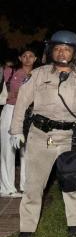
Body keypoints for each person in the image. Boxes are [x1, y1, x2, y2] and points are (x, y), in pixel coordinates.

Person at [10, 30, 76, 237]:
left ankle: (75, 227)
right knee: (33, 186)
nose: (62, 53)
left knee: (74, 183)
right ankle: (26, 230)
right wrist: (16, 130)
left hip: (73, 137)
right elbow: (22, 102)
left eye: (67, 49)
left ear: (75, 53)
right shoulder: (38, 74)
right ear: (50, 51)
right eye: (57, 48)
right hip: (40, 137)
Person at [1, 46, 38, 197]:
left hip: (30, 113)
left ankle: (25, 186)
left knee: (27, 151)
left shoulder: (38, 75)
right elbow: (16, 93)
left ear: (35, 59)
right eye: (24, 56)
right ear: (20, 58)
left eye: (31, 56)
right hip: (11, 110)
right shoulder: (12, 72)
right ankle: (6, 188)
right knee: (8, 150)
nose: (27, 58)